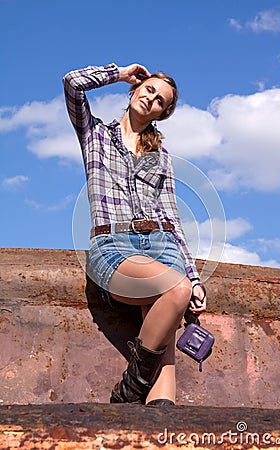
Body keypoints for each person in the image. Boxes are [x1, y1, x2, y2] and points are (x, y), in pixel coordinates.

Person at [63, 62, 207, 406]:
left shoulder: (161, 156)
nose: (151, 99)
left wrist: (195, 275)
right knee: (175, 289)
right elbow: (72, 84)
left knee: (166, 369)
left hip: (162, 245)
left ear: (163, 113)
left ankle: (152, 417)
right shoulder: (94, 134)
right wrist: (120, 73)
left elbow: (171, 217)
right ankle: (131, 388)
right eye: (149, 89)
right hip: (112, 245)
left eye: (160, 100)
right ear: (135, 90)